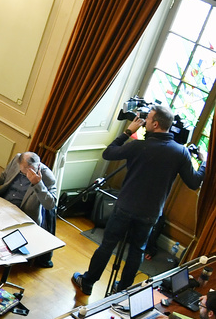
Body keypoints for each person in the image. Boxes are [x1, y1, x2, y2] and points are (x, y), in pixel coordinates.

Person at [75, 103, 205, 295]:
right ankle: (123, 291)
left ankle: (87, 283)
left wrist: (128, 131)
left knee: (107, 245)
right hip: (150, 213)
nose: (144, 123)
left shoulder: (138, 146)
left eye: (148, 119)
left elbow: (108, 152)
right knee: (137, 251)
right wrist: (205, 162)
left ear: (156, 124)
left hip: (125, 207)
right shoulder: (180, 152)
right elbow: (194, 182)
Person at [0, 151, 57, 227]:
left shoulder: (48, 177)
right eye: (25, 171)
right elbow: (4, 176)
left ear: (38, 165)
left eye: (32, 170)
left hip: (22, 215)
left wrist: (38, 184)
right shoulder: (16, 159)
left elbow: (50, 205)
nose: (28, 174)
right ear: (19, 164)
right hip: (2, 204)